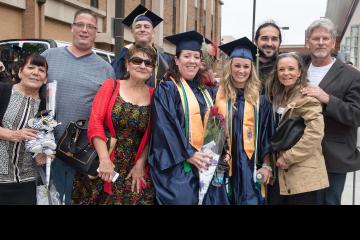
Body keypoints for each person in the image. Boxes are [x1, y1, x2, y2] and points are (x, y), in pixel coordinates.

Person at [42, 8, 115, 204]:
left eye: (90, 26)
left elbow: (108, 116)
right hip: (48, 152)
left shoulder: (105, 69)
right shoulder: (49, 57)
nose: (84, 30)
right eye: (80, 25)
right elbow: (34, 97)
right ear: (72, 28)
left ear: (95, 33)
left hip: (82, 154)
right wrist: (39, 141)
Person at [148, 31, 229, 205]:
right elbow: (164, 126)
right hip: (178, 166)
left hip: (206, 164)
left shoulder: (205, 90)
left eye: (196, 57)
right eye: (187, 56)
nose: (192, 61)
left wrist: (222, 151)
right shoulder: (167, 89)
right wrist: (188, 154)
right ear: (176, 60)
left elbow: (216, 123)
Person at [72, 45, 155, 205]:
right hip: (103, 160)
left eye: (148, 63)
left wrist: (140, 164)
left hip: (134, 167)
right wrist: (104, 160)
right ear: (127, 64)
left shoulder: (154, 95)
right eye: (137, 60)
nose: (143, 66)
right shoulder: (111, 86)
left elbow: (151, 134)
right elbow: (95, 123)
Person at [301, 18, 360, 205]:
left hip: (333, 156)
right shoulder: (297, 68)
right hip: (299, 153)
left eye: (325, 38)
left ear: (333, 43)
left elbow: (356, 115)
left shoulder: (352, 75)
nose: (320, 42)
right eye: (316, 38)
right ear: (307, 42)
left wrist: (327, 99)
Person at [266, 52, 329, 204]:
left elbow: (314, 134)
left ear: (300, 72)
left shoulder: (306, 96)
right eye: (281, 69)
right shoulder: (278, 96)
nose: (286, 73)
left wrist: (288, 158)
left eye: (291, 69)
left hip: (302, 174)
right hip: (280, 173)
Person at [216, 37, 273, 205]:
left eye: (246, 66)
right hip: (223, 165)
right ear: (230, 67)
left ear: (252, 69)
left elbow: (266, 135)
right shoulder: (216, 95)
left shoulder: (261, 101)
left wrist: (267, 165)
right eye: (237, 66)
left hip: (250, 166)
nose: (241, 70)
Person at [0, 53, 51, 205]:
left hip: (26, 182)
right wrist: (12, 134)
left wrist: (43, 153)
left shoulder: (46, 107)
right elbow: (14, 135)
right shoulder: (3, 91)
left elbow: (42, 144)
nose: (36, 72)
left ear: (45, 79)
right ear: (20, 72)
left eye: (41, 70)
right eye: (31, 67)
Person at [112, 4, 172, 88]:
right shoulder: (123, 56)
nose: (142, 29)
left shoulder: (166, 60)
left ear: (153, 32)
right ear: (132, 32)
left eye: (146, 27)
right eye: (138, 26)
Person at [254, 21, 282, 90]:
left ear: (279, 42)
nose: (269, 44)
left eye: (274, 39)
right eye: (264, 38)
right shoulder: (246, 64)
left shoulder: (285, 63)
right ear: (256, 41)